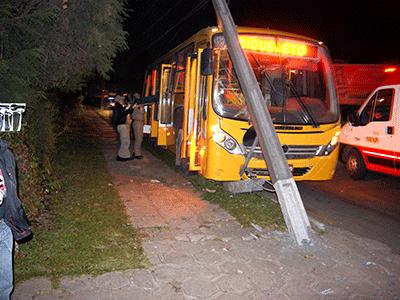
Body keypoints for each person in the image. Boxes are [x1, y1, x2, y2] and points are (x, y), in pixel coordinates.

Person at [0, 139, 32, 300]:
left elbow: (11, 192)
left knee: (5, 283)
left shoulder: (5, 153)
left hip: (3, 226)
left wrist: (15, 222)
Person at [112, 93, 133, 161]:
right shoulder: (118, 106)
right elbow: (123, 114)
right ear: (119, 100)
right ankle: (121, 156)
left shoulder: (119, 106)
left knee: (126, 141)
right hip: (122, 125)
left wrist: (128, 108)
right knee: (125, 141)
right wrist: (128, 108)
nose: (123, 100)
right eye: (122, 99)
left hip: (122, 125)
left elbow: (124, 112)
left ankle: (125, 156)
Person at [131, 93, 144, 159]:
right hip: (137, 122)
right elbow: (132, 110)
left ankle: (135, 152)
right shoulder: (135, 104)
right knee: (138, 138)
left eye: (138, 95)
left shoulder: (140, 104)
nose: (138, 96)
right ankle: (137, 154)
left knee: (140, 138)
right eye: (136, 96)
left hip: (140, 122)